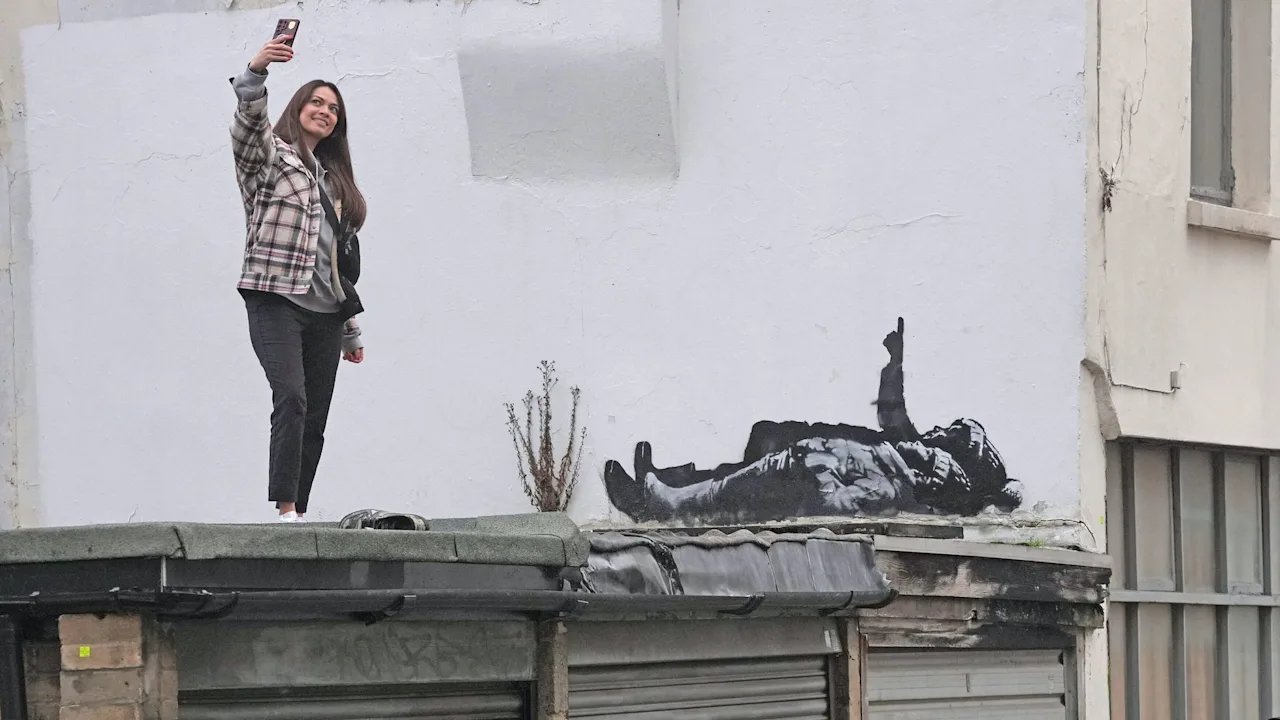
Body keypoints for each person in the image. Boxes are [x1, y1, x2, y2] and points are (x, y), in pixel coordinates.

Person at [603, 318, 1023, 523]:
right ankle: (667, 485)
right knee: (764, 439)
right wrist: (894, 364)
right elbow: (893, 417)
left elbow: (893, 476)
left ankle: (658, 501)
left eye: (950, 433)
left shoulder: (942, 472)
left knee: (754, 476)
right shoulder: (924, 451)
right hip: (837, 456)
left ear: (963, 453)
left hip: (837, 467)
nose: (941, 430)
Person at [230, 33, 368, 522]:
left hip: (326, 314)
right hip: (275, 298)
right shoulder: (271, 159)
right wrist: (256, 72)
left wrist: (350, 330)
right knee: (291, 397)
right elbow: (249, 126)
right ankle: (285, 510)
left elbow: (334, 264)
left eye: (333, 109)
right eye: (317, 102)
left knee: (316, 416)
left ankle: (300, 512)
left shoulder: (335, 183)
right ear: (299, 107)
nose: (325, 111)